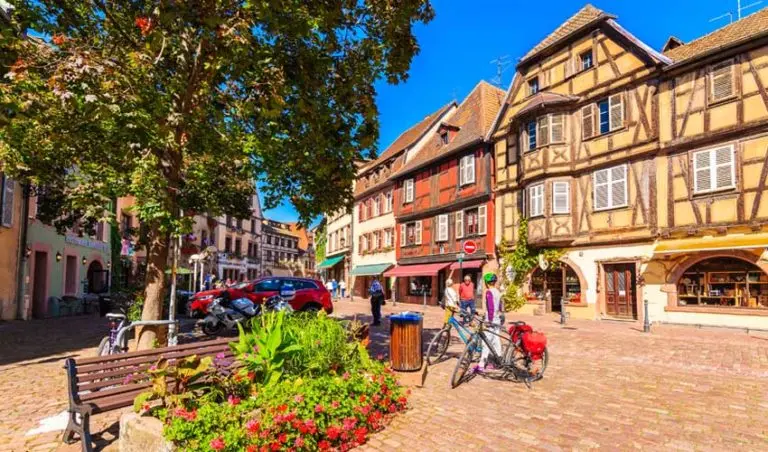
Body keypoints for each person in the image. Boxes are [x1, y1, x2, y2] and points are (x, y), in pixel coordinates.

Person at [476, 272, 503, 373]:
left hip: (491, 320)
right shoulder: (497, 291)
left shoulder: (489, 292)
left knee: (486, 341)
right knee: (496, 340)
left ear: (487, 282)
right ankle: (499, 359)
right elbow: (500, 306)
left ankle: (481, 364)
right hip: (497, 319)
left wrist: (489, 321)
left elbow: (490, 307)